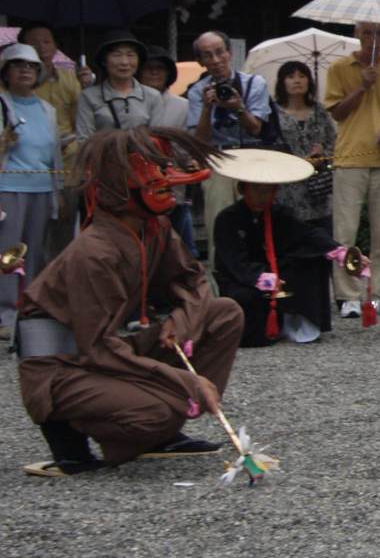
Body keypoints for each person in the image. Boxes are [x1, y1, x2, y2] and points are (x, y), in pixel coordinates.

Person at [16, 127, 242, 477]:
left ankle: (159, 433)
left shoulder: (156, 228)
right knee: (161, 411)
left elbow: (193, 281)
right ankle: (69, 427)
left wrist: (181, 323)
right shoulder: (94, 253)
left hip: (113, 347)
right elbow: (97, 347)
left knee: (224, 314)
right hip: (64, 365)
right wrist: (185, 382)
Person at [210, 150, 349, 346]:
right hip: (242, 278)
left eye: (267, 190)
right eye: (256, 189)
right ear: (244, 189)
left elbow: (307, 234)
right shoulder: (227, 218)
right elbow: (234, 262)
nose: (262, 196)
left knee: (312, 261)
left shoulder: (280, 213)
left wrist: (339, 251)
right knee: (246, 298)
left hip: (273, 269)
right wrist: (261, 278)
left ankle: (302, 323)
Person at [322, 22, 380, 318]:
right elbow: (337, 111)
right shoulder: (339, 67)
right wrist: (363, 85)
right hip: (350, 156)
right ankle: (348, 295)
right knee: (345, 231)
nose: (373, 39)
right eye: (367, 33)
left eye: (379, 33)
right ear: (358, 35)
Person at [186, 31, 273, 263]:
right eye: (207, 55)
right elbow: (200, 140)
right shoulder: (197, 91)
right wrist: (206, 108)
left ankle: (259, 277)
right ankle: (220, 278)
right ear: (200, 62)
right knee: (219, 221)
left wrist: (238, 107)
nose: (215, 60)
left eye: (219, 52)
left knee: (256, 220)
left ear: (229, 53)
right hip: (217, 158)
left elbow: (256, 128)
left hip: (251, 156)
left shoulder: (254, 83)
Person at [0, 44, 60, 334]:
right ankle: (6, 313)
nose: (25, 71)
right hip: (8, 186)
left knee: (35, 251)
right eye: (18, 65)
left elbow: (54, 155)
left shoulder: (47, 109)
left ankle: (30, 306)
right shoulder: (1, 103)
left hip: (41, 187)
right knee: (8, 253)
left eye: (31, 66)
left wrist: (56, 193)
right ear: (6, 72)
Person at [19, 24, 82, 256]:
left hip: (67, 164)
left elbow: (79, 119)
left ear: (55, 46)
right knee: (31, 233)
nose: (41, 47)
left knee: (64, 229)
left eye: (46, 41)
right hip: (32, 165)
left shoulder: (69, 78)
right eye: (33, 43)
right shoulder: (17, 82)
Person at [271, 60, 336, 232]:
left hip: (318, 189)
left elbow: (334, 142)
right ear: (282, 82)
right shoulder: (274, 113)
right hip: (287, 188)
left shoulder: (319, 111)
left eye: (302, 76)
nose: (297, 80)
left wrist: (323, 154)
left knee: (322, 240)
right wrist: (301, 162)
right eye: (291, 77)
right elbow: (272, 149)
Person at [138, 53, 194, 244]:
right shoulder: (131, 103)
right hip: (137, 182)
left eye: (160, 68)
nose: (154, 72)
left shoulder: (183, 106)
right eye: (148, 67)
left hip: (172, 182)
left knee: (174, 241)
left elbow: (187, 146)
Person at [75, 31, 165, 140]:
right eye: (117, 55)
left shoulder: (153, 96)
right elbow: (84, 140)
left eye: (130, 55)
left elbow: (157, 139)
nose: (124, 62)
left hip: (142, 156)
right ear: (104, 61)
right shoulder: (89, 96)